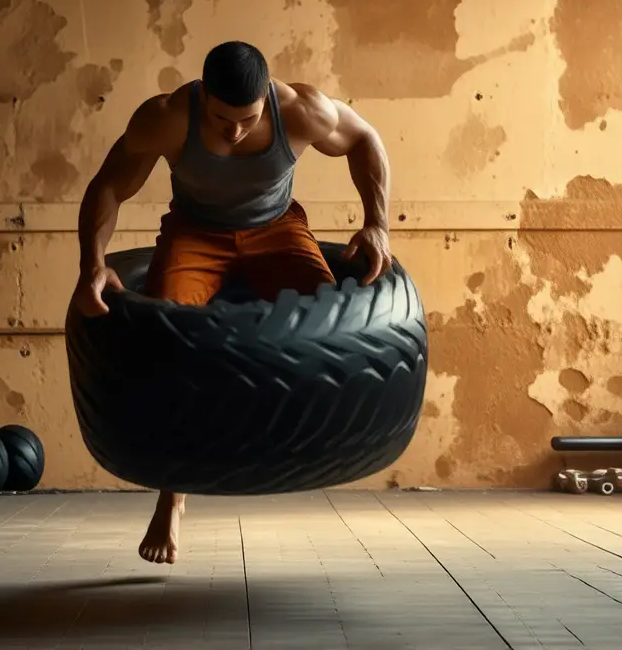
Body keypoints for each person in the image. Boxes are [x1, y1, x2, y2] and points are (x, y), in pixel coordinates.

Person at [71, 40, 394, 565]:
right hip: (195, 235)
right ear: (204, 96)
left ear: (266, 97)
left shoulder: (300, 109)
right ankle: (173, 495)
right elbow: (110, 185)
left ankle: (306, 454)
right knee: (167, 343)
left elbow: (365, 139)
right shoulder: (168, 117)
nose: (236, 131)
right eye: (223, 119)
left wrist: (378, 225)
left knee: (331, 329)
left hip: (278, 231)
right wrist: (93, 263)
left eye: (247, 119)